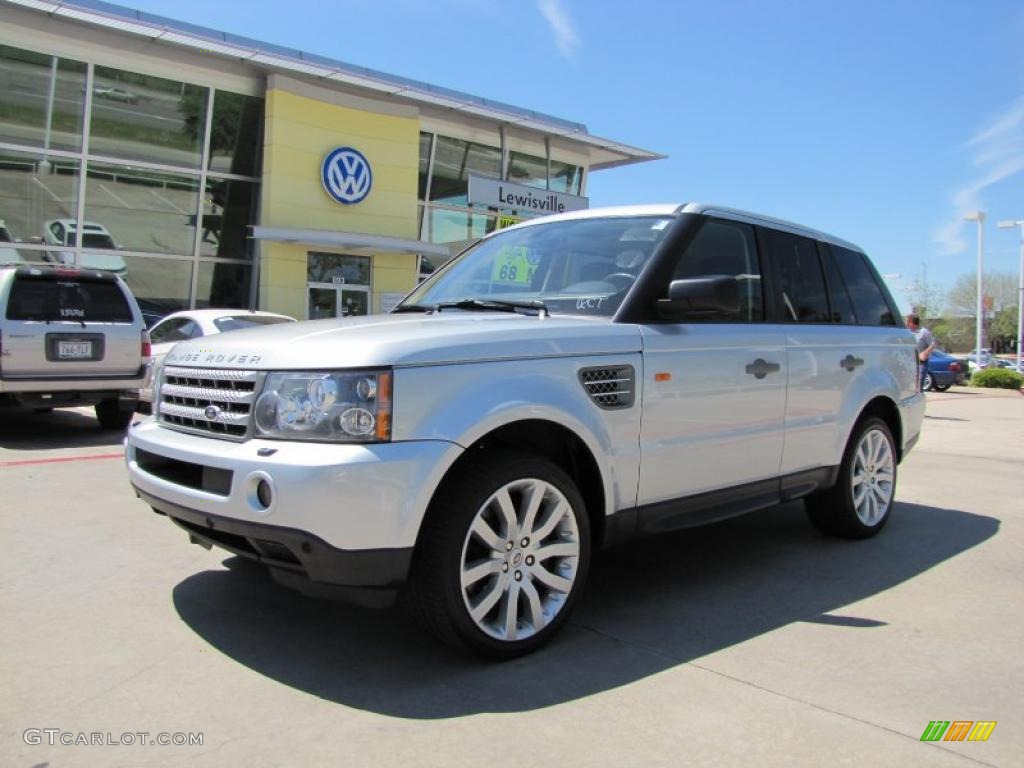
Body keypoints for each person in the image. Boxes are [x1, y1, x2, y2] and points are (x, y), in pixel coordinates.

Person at [905, 313, 935, 390]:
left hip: (920, 364)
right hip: (908, 364)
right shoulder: (907, 332)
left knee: (918, 389)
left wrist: (925, 353)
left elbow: (933, 345)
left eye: (908, 321)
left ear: (912, 322)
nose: (906, 323)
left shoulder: (924, 332)